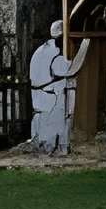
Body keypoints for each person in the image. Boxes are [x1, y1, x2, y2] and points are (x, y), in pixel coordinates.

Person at [26, 18, 89, 156]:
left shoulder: (40, 50)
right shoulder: (53, 54)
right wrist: (84, 46)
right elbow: (71, 69)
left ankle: (52, 147)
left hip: (39, 97)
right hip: (50, 100)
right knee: (65, 109)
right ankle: (60, 148)